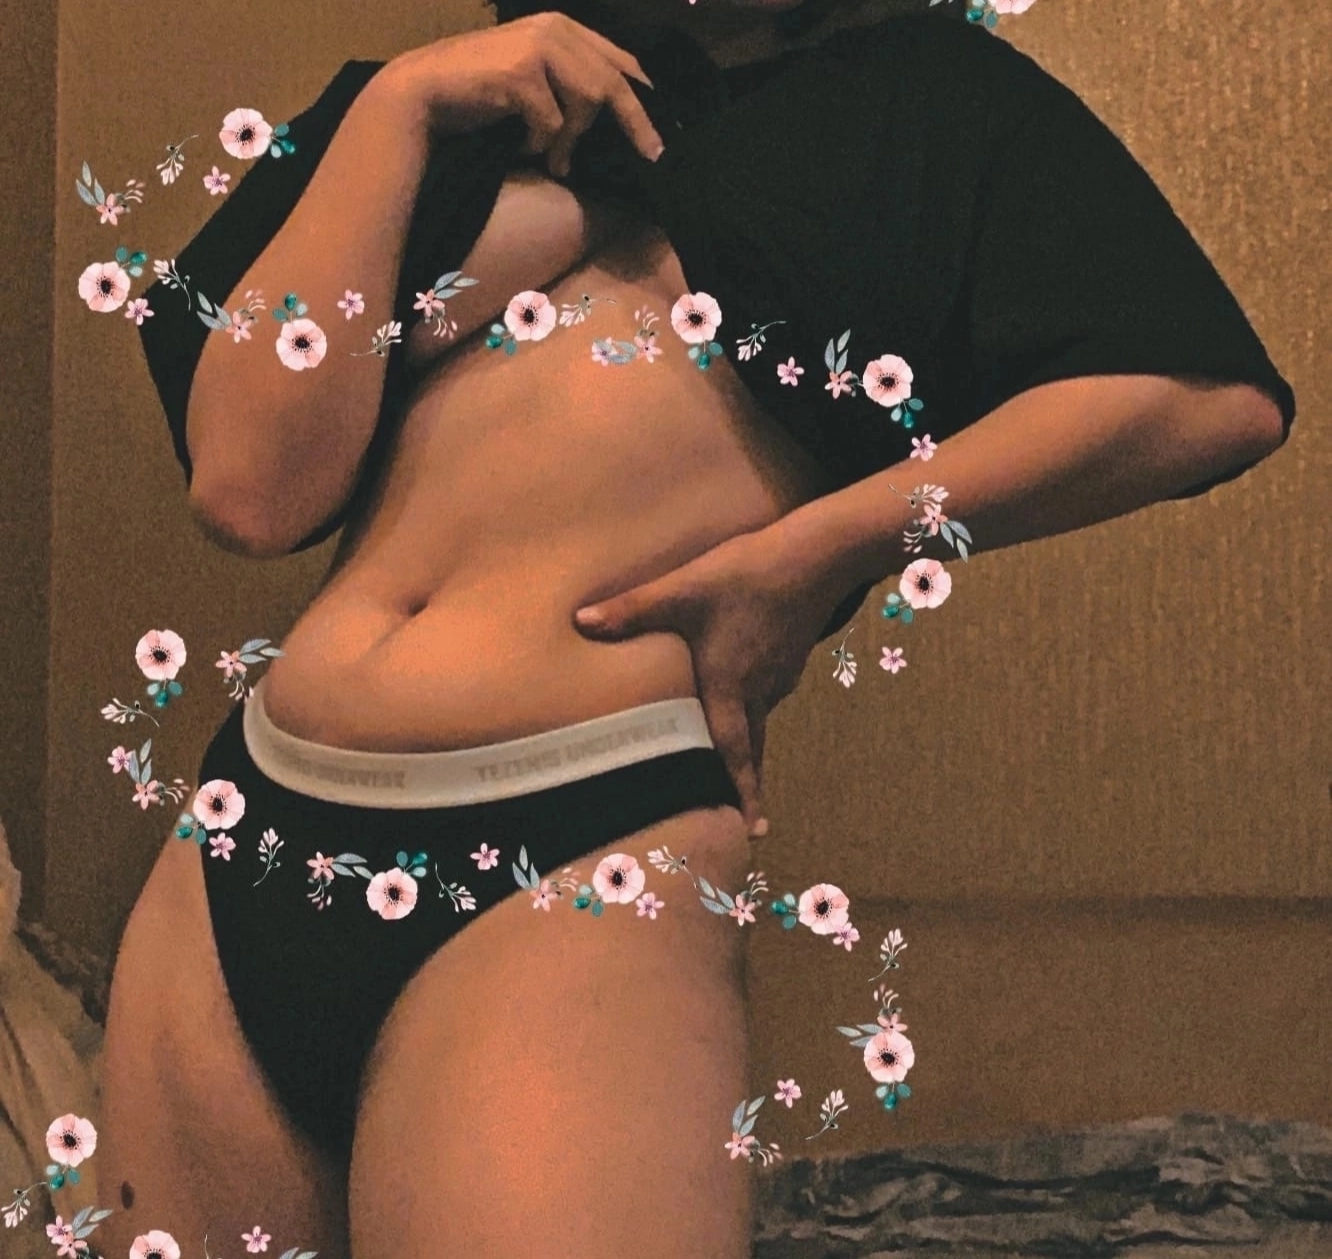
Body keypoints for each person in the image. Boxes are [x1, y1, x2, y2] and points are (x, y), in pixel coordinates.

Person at [98, 0, 1295, 1255]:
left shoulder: (931, 98)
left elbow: (1202, 396)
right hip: (248, 828)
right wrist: (399, 109)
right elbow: (249, 488)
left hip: (573, 835)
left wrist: (813, 552)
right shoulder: (432, 107)